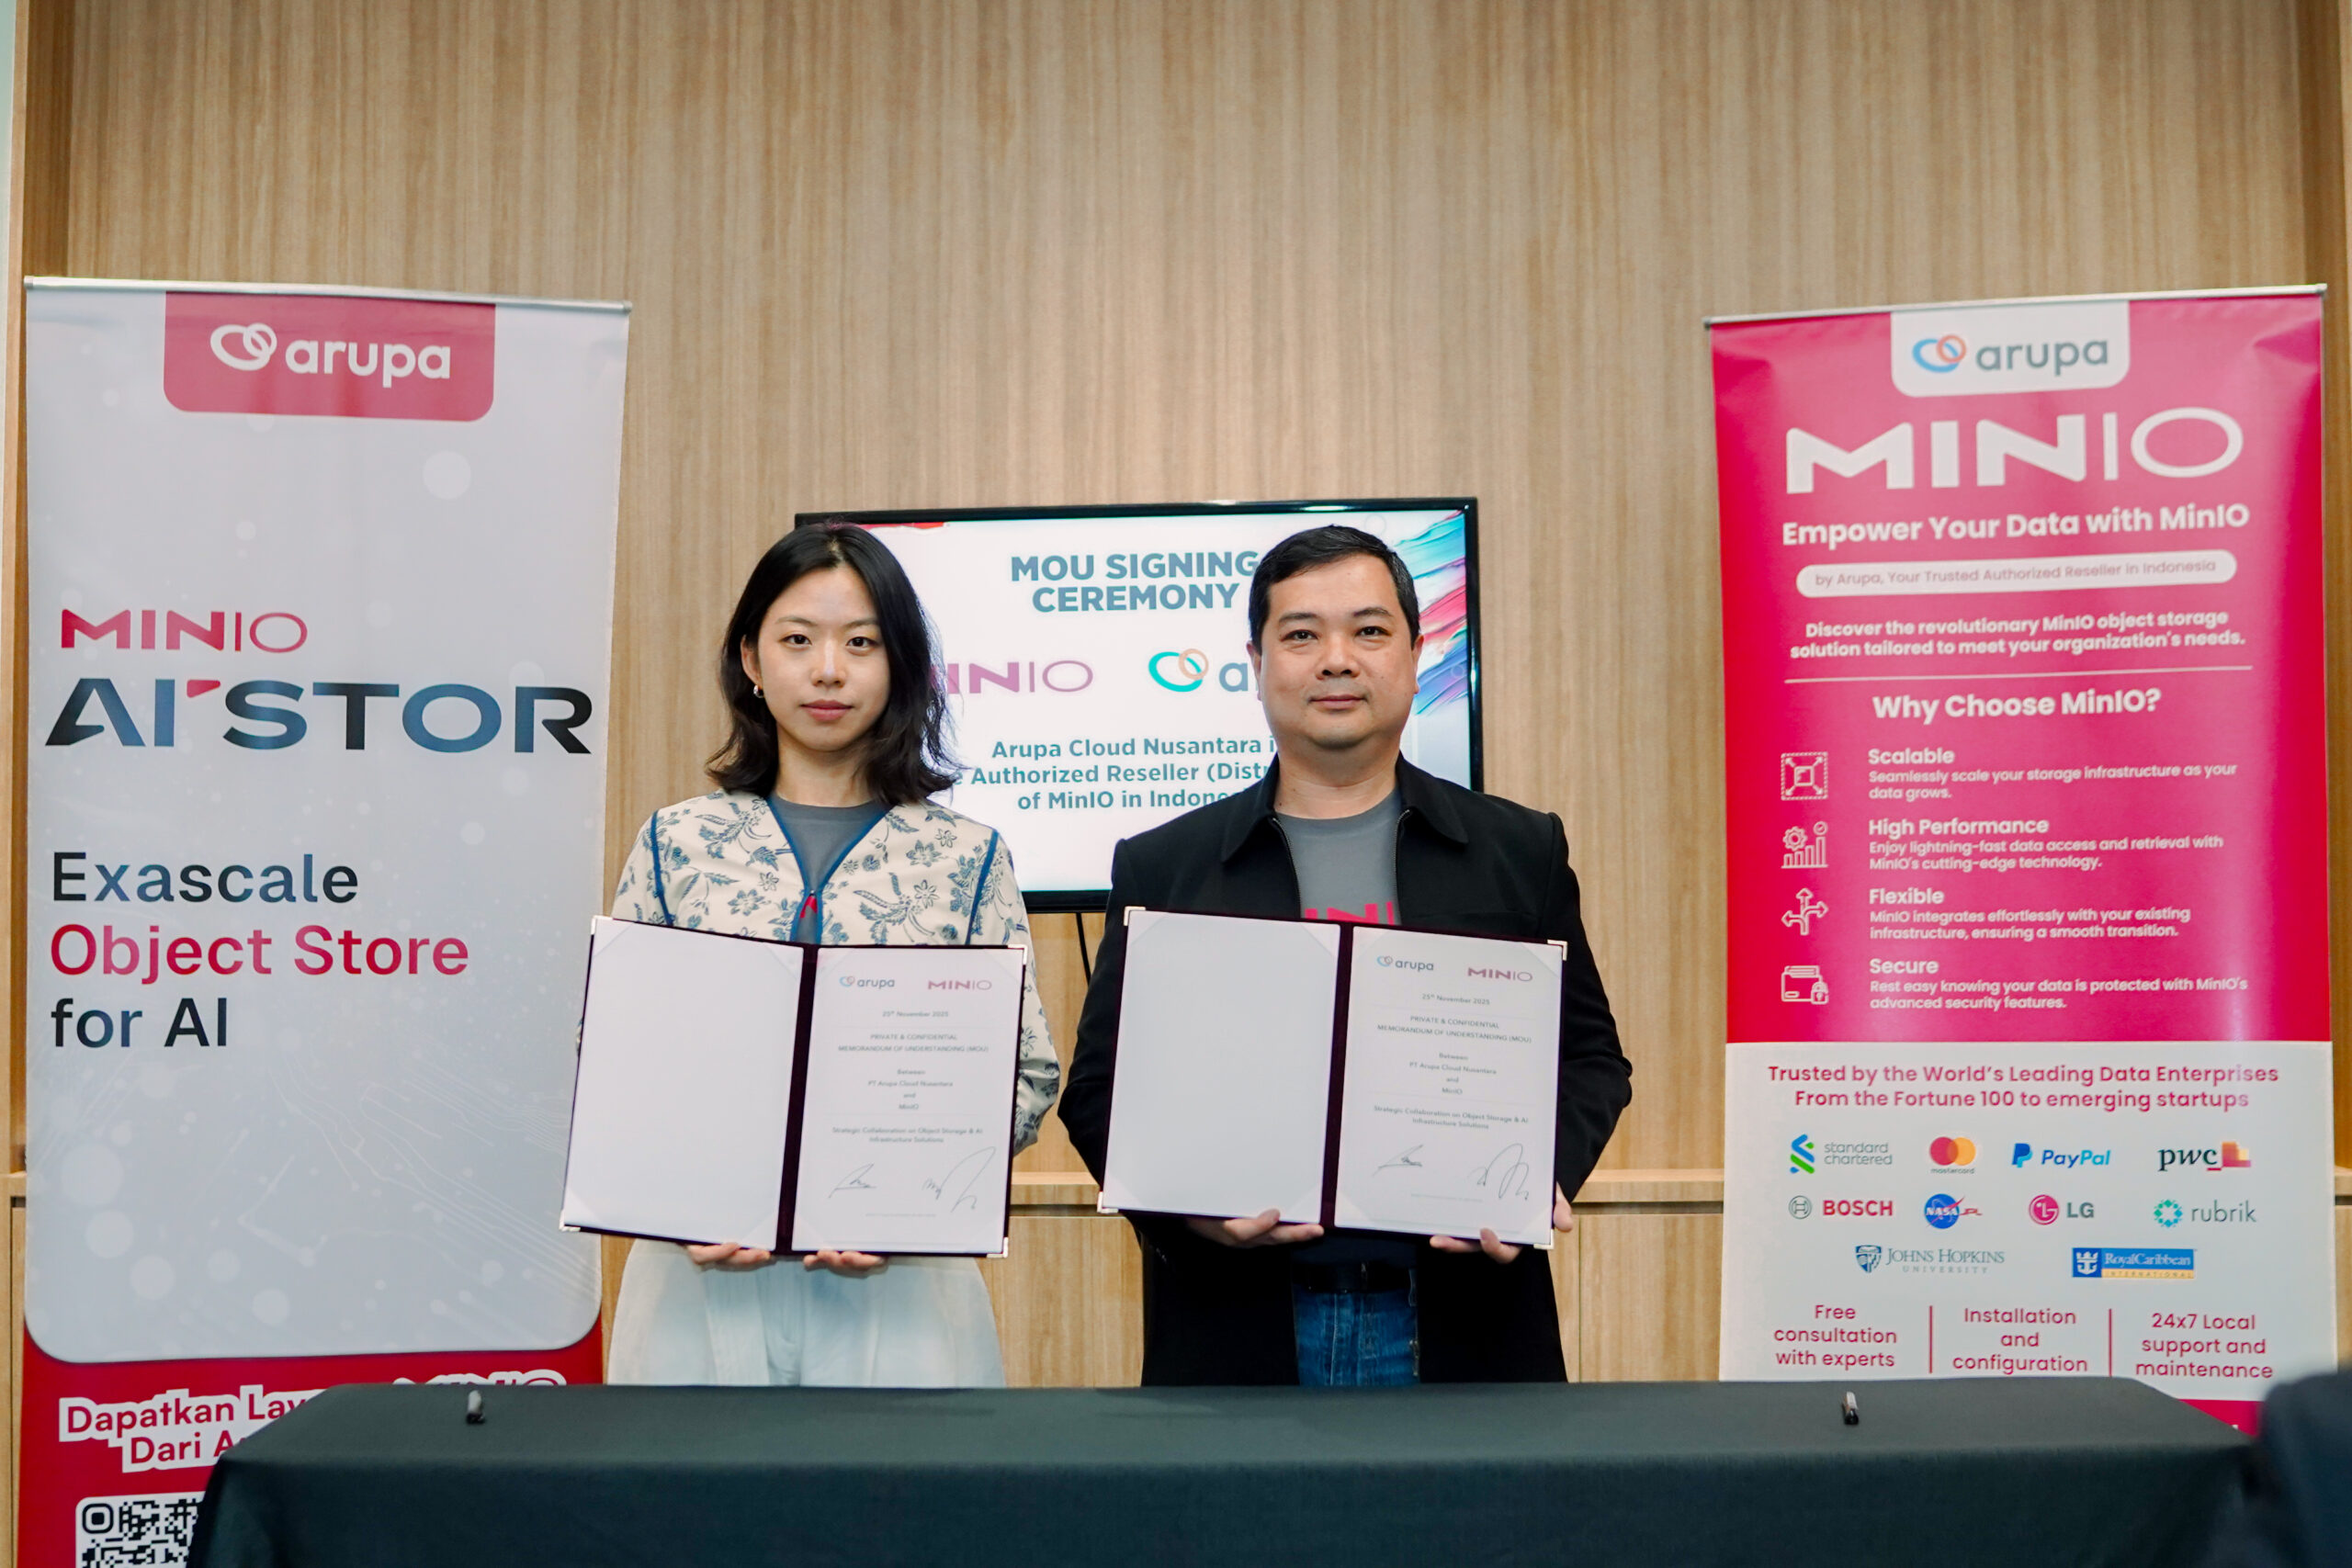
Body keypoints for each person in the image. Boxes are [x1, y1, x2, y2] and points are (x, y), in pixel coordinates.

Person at [1058, 524, 1629, 1385]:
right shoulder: (1166, 866)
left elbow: (1590, 1059)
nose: (1337, 660)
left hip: (1465, 1322)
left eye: (1368, 630)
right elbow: (1099, 1091)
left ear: (1415, 653)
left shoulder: (1518, 851)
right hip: (1238, 1330)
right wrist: (1185, 1212)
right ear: (1256, 662)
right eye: (1301, 634)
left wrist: (1533, 1175)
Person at [604, 522, 1059, 1387]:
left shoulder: (966, 856)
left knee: (902, 1481)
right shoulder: (677, 842)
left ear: (902, 665)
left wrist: (908, 1195)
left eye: (861, 643)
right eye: (797, 640)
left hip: (902, 1278)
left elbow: (1025, 1071)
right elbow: (612, 1052)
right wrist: (672, 1193)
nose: (827, 671)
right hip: (699, 1269)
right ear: (750, 657)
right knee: (689, 1480)